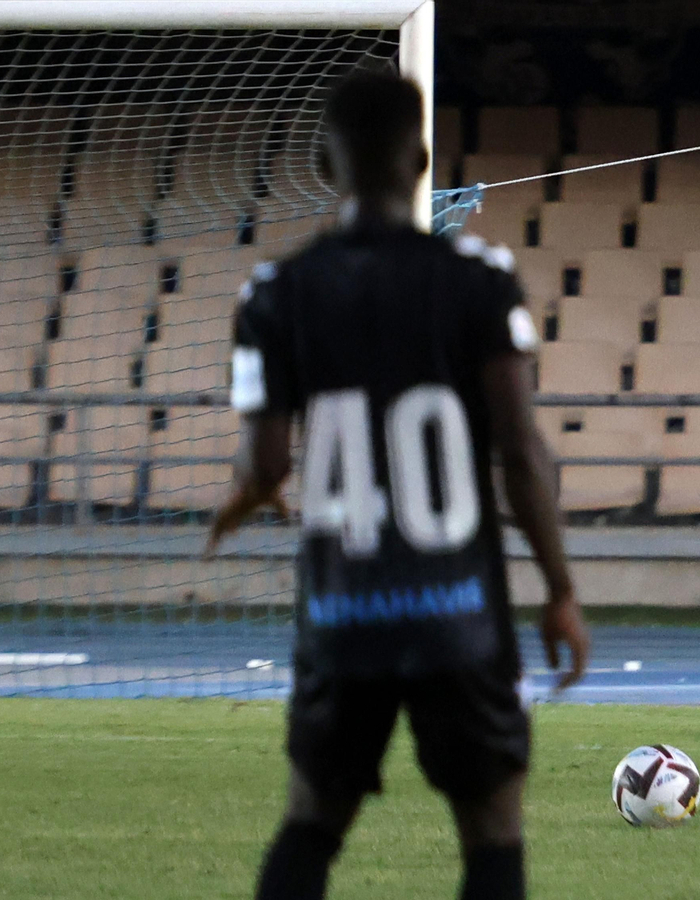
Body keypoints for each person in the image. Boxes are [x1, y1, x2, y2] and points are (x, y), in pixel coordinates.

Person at [204, 71, 590, 898]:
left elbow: (265, 464)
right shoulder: (479, 277)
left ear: (323, 161)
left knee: (312, 821)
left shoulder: (274, 294)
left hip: (344, 610)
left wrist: (244, 497)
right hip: (459, 611)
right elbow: (521, 452)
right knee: (491, 830)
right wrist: (559, 588)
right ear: (421, 160)